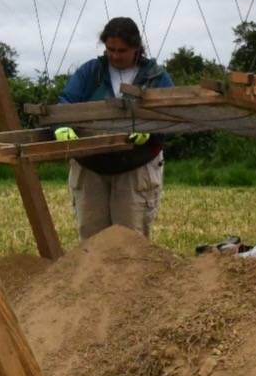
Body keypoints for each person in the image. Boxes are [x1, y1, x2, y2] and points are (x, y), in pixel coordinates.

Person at [54, 17, 175, 241]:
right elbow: (66, 101)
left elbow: (173, 114)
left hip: (135, 168)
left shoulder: (156, 76)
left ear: (136, 48)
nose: (115, 55)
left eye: (122, 50)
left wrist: (151, 129)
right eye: (110, 49)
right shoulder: (90, 72)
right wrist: (62, 126)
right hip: (90, 165)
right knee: (92, 241)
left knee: (130, 241)